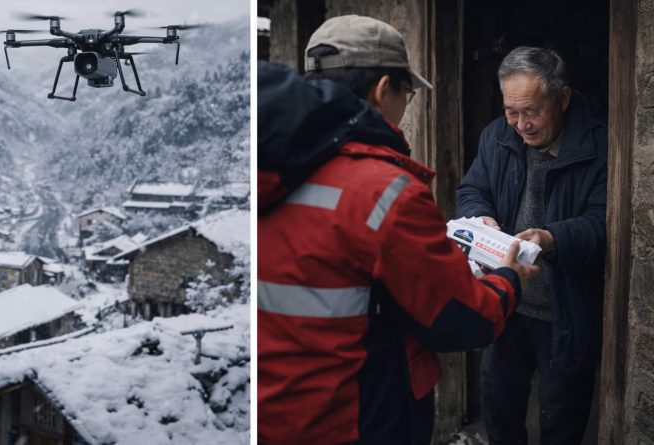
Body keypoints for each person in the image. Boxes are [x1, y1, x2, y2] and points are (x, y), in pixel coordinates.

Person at [258, 15, 539, 445]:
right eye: (406, 91)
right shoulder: (383, 192)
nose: (406, 104)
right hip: (357, 418)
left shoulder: (266, 167)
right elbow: (463, 322)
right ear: (382, 89)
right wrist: (507, 280)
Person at [456, 46, 607, 444]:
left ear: (563, 98)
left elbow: (602, 223)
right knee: (500, 407)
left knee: (561, 416)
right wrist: (481, 216)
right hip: (505, 300)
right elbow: (472, 189)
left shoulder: (601, 145)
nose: (520, 124)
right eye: (511, 111)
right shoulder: (496, 135)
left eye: (532, 111)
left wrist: (551, 238)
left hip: (564, 309)